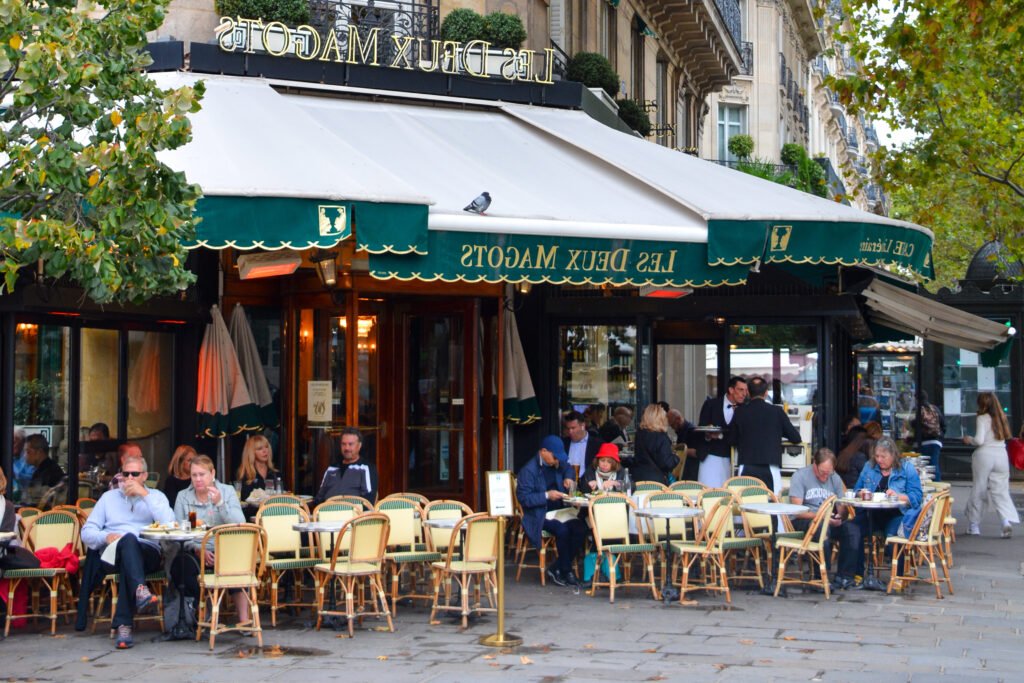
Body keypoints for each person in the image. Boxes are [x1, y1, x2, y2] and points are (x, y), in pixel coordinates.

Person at [80, 454, 174, 648]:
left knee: (129, 549)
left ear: (144, 476)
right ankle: (139, 594)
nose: (129, 478)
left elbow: (170, 525)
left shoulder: (156, 497)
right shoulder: (108, 498)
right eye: (126, 473)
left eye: (135, 474)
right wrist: (104, 537)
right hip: (112, 553)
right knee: (127, 543)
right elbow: (87, 532)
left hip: (147, 551)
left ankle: (125, 624)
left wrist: (145, 495)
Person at [172, 455, 249, 624]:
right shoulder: (183, 496)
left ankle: (244, 620)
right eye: (194, 475)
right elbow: (178, 531)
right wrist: (199, 549)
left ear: (212, 473)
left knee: (236, 565)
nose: (198, 479)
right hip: (196, 549)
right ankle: (204, 610)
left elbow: (240, 523)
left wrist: (220, 503)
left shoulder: (227, 491)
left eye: (202, 474)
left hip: (225, 548)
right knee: (180, 566)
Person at [851, 436, 923, 591]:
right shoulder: (868, 467)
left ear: (893, 455)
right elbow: (856, 490)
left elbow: (917, 497)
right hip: (871, 513)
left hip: (896, 513)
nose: (879, 460)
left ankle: (898, 578)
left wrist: (899, 495)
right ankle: (856, 575)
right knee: (852, 529)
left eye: (883, 457)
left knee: (894, 539)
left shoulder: (906, 468)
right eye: (876, 456)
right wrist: (861, 493)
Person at [516, 435, 586, 587]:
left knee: (581, 529)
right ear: (544, 451)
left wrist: (569, 478)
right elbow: (524, 499)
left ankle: (556, 568)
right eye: (555, 457)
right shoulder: (528, 471)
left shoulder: (556, 462)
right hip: (539, 514)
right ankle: (566, 570)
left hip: (560, 511)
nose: (556, 461)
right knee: (562, 531)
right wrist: (547, 495)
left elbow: (568, 467)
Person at [787, 448, 861, 589]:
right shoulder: (800, 476)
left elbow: (841, 510)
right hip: (805, 520)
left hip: (827, 519)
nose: (825, 477)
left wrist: (841, 514)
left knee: (852, 529)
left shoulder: (835, 478)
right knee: (822, 529)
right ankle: (821, 577)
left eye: (829, 473)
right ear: (815, 464)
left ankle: (844, 577)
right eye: (822, 472)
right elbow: (797, 511)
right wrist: (822, 517)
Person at [730, 376, 801, 495]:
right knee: (773, 504)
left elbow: (731, 439)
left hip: (746, 463)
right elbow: (796, 438)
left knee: (745, 504)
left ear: (748, 392)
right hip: (770, 464)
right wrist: (777, 432)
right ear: (766, 393)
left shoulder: (740, 412)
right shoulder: (776, 412)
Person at [963, 392, 1019, 538]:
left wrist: (969, 439)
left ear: (981, 404)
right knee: (1001, 491)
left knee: (979, 489)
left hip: (984, 456)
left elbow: (980, 440)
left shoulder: (982, 418)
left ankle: (974, 525)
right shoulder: (1002, 418)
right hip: (1001, 455)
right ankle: (1005, 521)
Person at [696, 376, 747, 488]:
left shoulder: (745, 409)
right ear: (731, 390)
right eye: (741, 390)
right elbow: (701, 428)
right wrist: (708, 435)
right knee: (707, 491)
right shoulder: (711, 404)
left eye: (746, 390)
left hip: (733, 458)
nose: (744, 394)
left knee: (729, 494)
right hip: (710, 456)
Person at [315, 427, 378, 504]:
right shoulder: (332, 468)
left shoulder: (366, 468)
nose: (347, 448)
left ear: (359, 445)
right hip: (327, 513)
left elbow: (368, 501)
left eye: (350, 444)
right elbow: (319, 497)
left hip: (354, 514)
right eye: (343, 444)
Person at [626, 404, 679, 485]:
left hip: (638, 478)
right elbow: (666, 463)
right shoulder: (661, 437)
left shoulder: (639, 434)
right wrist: (676, 458)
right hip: (656, 481)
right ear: (661, 419)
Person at [23, 434, 66, 509]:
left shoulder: (49, 473)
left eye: (28, 452)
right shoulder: (44, 469)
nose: (25, 456)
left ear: (39, 452)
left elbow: (38, 501)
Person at [912, 390, 946, 482]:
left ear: (916, 399)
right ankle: (937, 486)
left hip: (922, 442)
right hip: (935, 442)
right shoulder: (935, 408)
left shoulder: (917, 409)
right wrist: (940, 438)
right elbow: (943, 424)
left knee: (921, 467)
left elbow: (913, 425)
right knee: (934, 466)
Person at [237, 434, 278, 504]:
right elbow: (243, 500)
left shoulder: (275, 473)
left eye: (266, 447)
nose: (265, 451)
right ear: (251, 452)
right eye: (260, 449)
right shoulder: (245, 474)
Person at [562, 410, 603, 477]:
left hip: (589, 483)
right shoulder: (564, 443)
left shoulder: (597, 444)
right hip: (567, 483)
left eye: (573, 428)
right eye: (568, 428)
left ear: (583, 426)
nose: (570, 431)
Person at [666, 409, 698, 480]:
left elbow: (696, 452)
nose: (672, 428)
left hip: (690, 470)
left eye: (672, 424)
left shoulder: (691, 431)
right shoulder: (681, 431)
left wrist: (677, 450)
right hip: (683, 468)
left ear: (678, 419)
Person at [836, 426, 870, 490]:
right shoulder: (860, 457)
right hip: (855, 493)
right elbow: (867, 477)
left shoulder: (843, 454)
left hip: (843, 491)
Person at [163, 445, 197, 509]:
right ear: (180, 462)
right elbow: (172, 505)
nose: (193, 463)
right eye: (189, 460)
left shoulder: (197, 479)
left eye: (194, 460)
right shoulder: (171, 481)